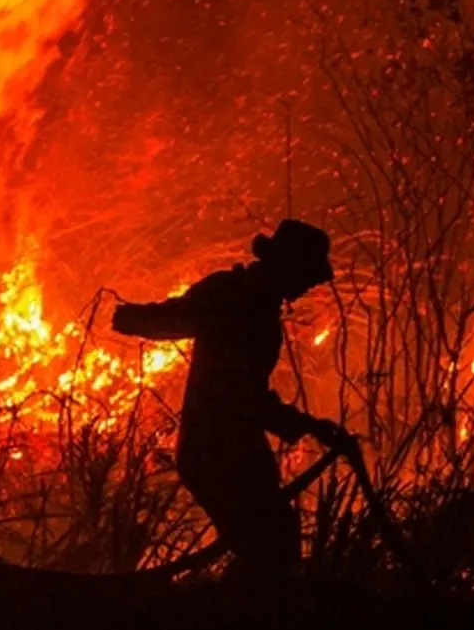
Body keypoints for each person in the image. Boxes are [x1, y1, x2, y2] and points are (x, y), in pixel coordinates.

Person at [111, 219, 354, 583]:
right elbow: (182, 319)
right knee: (272, 547)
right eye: (307, 275)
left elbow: (248, 393)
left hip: (233, 447)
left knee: (274, 544)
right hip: (216, 450)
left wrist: (311, 427)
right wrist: (136, 318)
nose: (310, 285)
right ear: (288, 267)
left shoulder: (254, 303)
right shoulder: (233, 297)